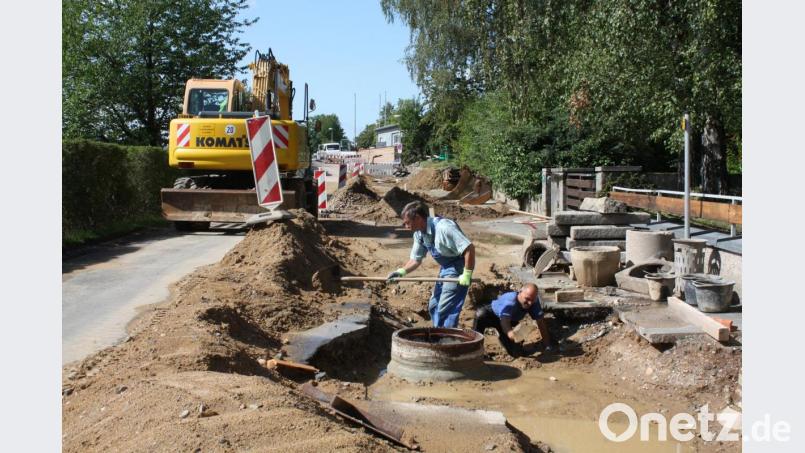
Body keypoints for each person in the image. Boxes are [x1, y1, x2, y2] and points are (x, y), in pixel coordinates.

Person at [388, 201, 475, 328]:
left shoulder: (444, 228)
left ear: (418, 218)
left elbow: (469, 248)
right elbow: (415, 260)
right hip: (445, 267)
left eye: (407, 222)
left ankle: (446, 336)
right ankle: (438, 331)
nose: (406, 226)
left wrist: (467, 274)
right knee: (434, 306)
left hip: (458, 267)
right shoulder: (419, 234)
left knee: (446, 308)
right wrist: (400, 272)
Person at [473, 283, 554, 357]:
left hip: (509, 320)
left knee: (516, 353)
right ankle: (475, 350)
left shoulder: (534, 302)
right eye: (527, 299)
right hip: (490, 315)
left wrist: (547, 345)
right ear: (520, 292)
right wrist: (511, 334)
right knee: (480, 316)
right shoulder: (511, 300)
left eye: (532, 300)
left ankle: (512, 346)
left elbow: (540, 322)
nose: (529, 303)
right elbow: (504, 321)